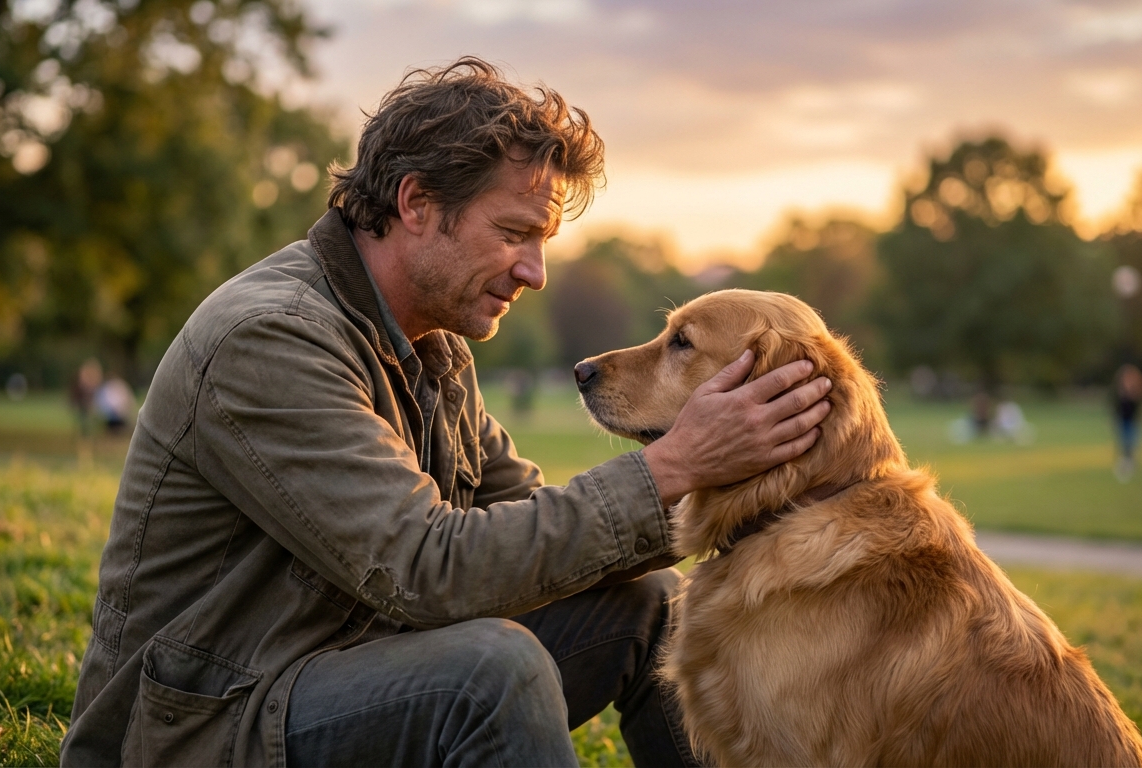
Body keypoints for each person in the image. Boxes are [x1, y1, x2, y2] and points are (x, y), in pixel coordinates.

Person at [60, 58, 833, 768]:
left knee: (651, 605)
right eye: (513, 234)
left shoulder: (430, 345)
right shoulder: (272, 338)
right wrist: (675, 466)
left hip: (339, 672)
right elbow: (425, 569)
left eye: (543, 241)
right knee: (492, 673)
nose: (533, 271)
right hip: (203, 730)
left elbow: (530, 524)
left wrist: (761, 482)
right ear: (417, 203)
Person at [1112, 364, 1142, 482]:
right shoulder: (1119, 391)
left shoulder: (1137, 392)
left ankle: (1131, 466)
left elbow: (1138, 407)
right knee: (1124, 444)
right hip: (1123, 421)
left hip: (1133, 422)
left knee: (1132, 444)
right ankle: (1124, 466)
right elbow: (1116, 407)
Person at [68, 358, 102, 436]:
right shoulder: (86, 375)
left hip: (89, 400)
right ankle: (85, 434)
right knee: (84, 418)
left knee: (89, 418)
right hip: (84, 400)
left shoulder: (90, 375)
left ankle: (88, 434)